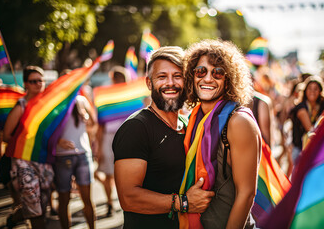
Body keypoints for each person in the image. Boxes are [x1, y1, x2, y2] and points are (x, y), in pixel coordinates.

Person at [112, 46, 214, 229]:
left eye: (177, 76)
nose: (170, 83)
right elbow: (128, 198)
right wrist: (183, 203)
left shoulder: (190, 124)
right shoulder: (136, 128)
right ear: (149, 83)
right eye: (162, 77)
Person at [183, 39, 261, 228]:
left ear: (229, 80)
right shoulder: (194, 119)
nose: (208, 78)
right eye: (201, 71)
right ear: (192, 77)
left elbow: (247, 193)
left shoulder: (239, 122)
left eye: (217, 72)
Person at [3, 66, 54, 229]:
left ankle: (15, 217)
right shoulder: (21, 106)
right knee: (35, 208)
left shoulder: (49, 106)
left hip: (44, 160)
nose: (38, 84)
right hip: (24, 163)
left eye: (41, 80)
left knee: (41, 205)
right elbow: (6, 136)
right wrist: (26, 145)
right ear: (26, 84)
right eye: (33, 81)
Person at [54, 70, 97, 229]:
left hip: (82, 154)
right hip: (62, 156)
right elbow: (46, 130)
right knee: (64, 199)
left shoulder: (81, 100)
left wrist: (87, 118)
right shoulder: (55, 103)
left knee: (87, 199)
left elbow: (93, 123)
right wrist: (58, 140)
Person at [96, 66, 129, 216]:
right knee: (111, 174)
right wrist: (98, 147)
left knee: (122, 173)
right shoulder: (106, 97)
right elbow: (101, 124)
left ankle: (116, 202)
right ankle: (111, 203)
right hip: (112, 138)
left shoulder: (131, 96)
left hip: (124, 137)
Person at [290, 75, 324, 163]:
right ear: (305, 91)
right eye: (310, 88)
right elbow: (310, 130)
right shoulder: (301, 108)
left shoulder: (323, 106)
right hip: (300, 150)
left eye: (315, 89)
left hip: (316, 149)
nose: (312, 91)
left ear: (320, 91)